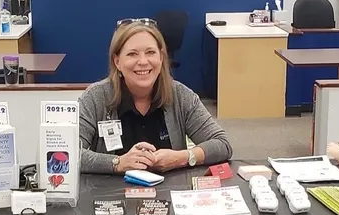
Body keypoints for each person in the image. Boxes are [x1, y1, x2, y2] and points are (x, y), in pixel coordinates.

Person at [78, 19, 232, 174]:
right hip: (108, 193)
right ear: (117, 61)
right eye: (132, 54)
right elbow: (67, 153)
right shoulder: (95, 98)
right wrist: (117, 163)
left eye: (150, 52)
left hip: (172, 193)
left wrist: (183, 157)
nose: (143, 61)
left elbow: (222, 145)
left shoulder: (181, 95)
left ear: (161, 57)